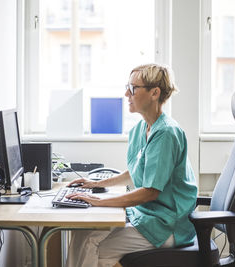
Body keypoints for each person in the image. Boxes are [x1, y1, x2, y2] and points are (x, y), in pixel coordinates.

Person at [65, 63, 198, 267]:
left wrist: (99, 202)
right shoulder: (142, 128)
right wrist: (94, 184)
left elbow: (150, 191)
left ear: (154, 93)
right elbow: (136, 170)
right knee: (82, 233)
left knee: (92, 245)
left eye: (133, 88)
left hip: (166, 225)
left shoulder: (166, 133)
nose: (127, 93)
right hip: (147, 215)